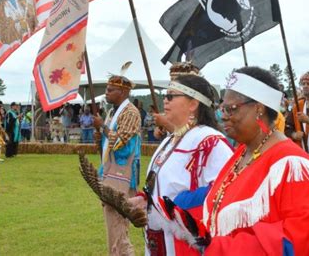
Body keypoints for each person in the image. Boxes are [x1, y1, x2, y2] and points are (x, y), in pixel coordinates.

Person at [195, 67, 309, 255]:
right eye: (221, 108)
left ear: (259, 109)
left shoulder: (296, 168)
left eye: (230, 109)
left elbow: (299, 242)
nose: (223, 115)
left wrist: (220, 249)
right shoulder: (242, 153)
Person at [130, 74, 233, 256]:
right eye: (165, 95)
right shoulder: (171, 139)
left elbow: (226, 190)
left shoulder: (210, 142)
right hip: (159, 238)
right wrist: (145, 199)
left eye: (171, 96)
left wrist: (176, 205)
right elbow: (164, 183)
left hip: (187, 243)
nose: (165, 100)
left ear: (193, 104)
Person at [95, 74, 141, 256]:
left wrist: (103, 128)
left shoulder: (130, 113)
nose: (106, 93)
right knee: (113, 222)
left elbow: (122, 145)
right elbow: (108, 145)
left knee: (118, 224)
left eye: (109, 90)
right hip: (112, 172)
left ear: (122, 92)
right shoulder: (114, 112)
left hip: (123, 175)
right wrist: (100, 133)